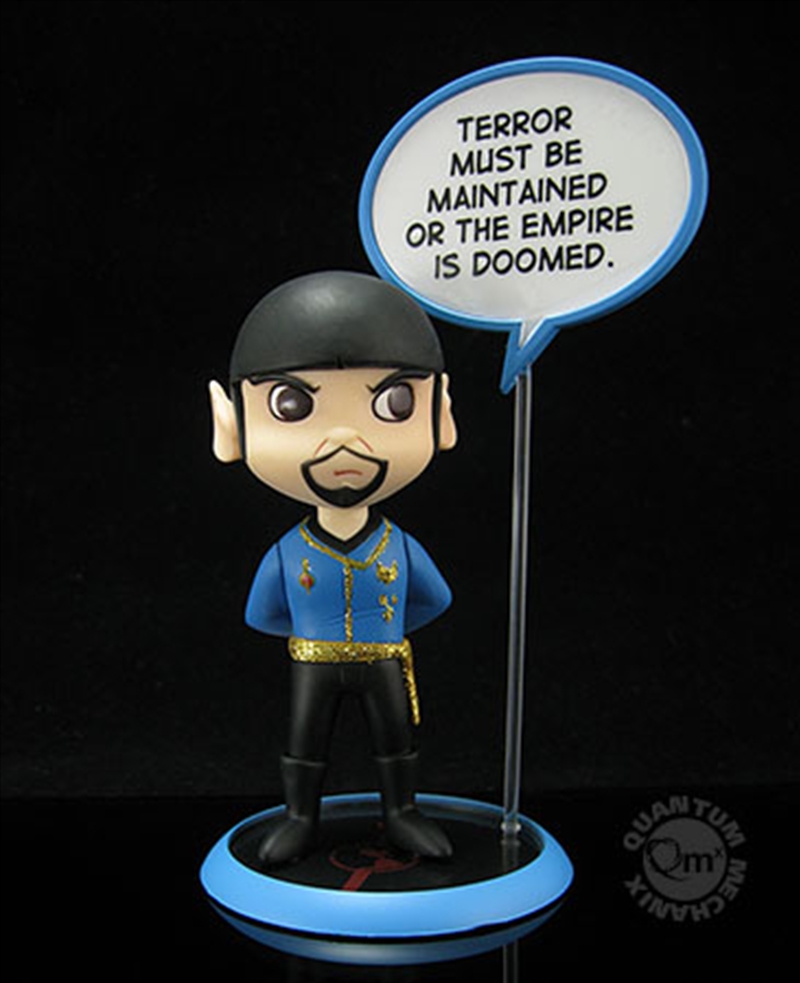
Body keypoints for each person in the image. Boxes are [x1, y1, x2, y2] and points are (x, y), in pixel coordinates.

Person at [208, 271, 458, 865]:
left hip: (383, 660)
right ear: (230, 426)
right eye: (292, 405)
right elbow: (261, 614)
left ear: (441, 415)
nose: (345, 440)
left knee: (396, 741)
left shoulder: (398, 546)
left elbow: (435, 599)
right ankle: (300, 817)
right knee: (304, 742)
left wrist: (383, 633)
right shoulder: (288, 552)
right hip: (312, 665)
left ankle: (402, 811)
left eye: (394, 403)